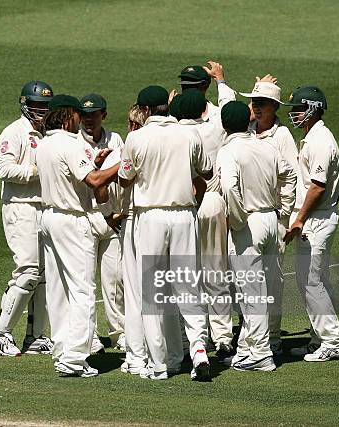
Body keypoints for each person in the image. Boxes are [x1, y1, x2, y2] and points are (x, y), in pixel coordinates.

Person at [118, 86, 213, 381]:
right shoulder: (189, 134)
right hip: (185, 214)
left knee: (152, 292)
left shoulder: (136, 138)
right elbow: (207, 173)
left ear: (145, 111)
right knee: (188, 286)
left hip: (151, 217)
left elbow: (124, 178)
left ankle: (159, 365)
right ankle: (197, 350)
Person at [36, 95, 120, 377]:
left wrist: (94, 164)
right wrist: (124, 164)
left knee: (58, 288)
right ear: (68, 115)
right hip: (72, 220)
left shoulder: (45, 144)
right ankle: (74, 359)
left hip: (48, 217)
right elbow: (94, 181)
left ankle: (62, 350)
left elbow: (76, 175)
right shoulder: (71, 144)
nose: (80, 119)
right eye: (76, 114)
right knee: (83, 290)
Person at [216, 101, 296, 371]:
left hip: (248, 223)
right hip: (270, 220)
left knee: (251, 292)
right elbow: (290, 175)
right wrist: (283, 211)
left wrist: (237, 220)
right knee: (264, 288)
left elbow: (228, 186)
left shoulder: (228, 151)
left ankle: (260, 353)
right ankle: (249, 348)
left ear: (225, 125)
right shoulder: (267, 146)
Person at [283, 86, 339, 362]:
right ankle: (318, 339)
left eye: (299, 109)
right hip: (318, 217)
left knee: (311, 281)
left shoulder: (321, 141)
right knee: (315, 280)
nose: (295, 114)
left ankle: (334, 341)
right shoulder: (313, 137)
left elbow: (317, 187)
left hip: (317, 219)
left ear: (312, 108)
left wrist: (299, 219)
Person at [0, 80, 54, 357]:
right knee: (28, 272)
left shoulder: (51, 134)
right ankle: (0, 334)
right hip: (20, 207)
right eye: (36, 106)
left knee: (44, 276)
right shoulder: (14, 132)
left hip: (46, 208)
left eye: (45, 107)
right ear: (25, 105)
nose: (41, 112)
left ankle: (35, 336)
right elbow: (4, 169)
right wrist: (39, 171)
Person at [237, 76, 299, 356]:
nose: (256, 108)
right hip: (245, 216)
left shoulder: (282, 136)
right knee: (245, 279)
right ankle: (249, 335)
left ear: (274, 107)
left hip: (273, 218)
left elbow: (292, 178)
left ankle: (272, 338)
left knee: (271, 280)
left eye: (262, 103)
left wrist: (285, 215)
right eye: (253, 102)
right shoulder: (246, 130)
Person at [173, 89, 234, 360]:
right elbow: (233, 112)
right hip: (211, 201)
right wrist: (222, 84)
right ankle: (222, 336)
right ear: (201, 110)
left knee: (185, 274)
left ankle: (190, 338)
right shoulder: (216, 125)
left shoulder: (172, 132)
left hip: (183, 206)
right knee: (215, 270)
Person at [78, 93, 126, 353]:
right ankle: (90, 336)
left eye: (93, 115)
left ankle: (119, 333)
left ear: (103, 115)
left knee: (115, 279)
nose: (88, 120)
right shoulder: (74, 142)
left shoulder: (115, 139)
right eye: (84, 116)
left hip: (112, 218)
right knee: (86, 282)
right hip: (85, 217)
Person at [119, 104, 149, 375]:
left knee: (134, 292)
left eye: (132, 122)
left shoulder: (134, 142)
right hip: (158, 221)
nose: (129, 127)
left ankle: (136, 355)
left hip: (133, 221)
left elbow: (123, 180)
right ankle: (153, 352)